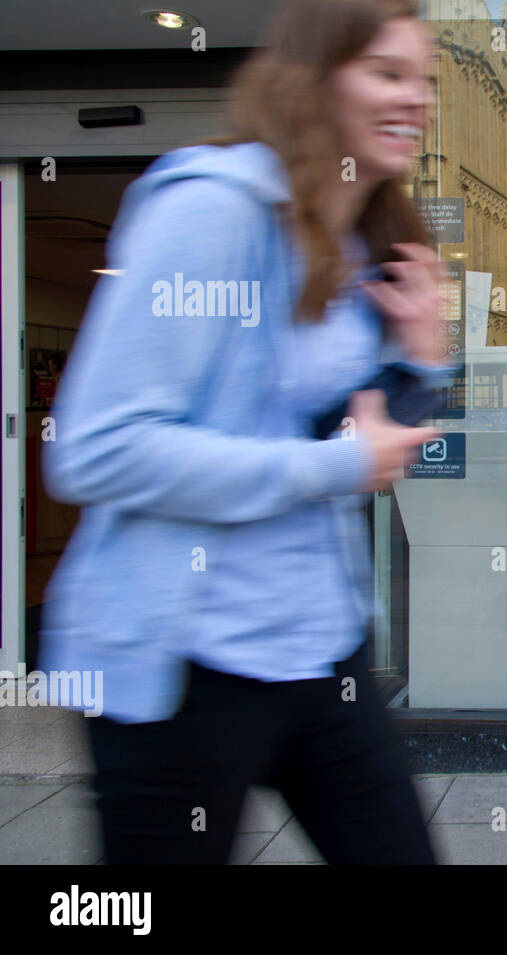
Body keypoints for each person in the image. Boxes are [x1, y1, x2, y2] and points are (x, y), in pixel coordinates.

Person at [39, 0, 449, 864]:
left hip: (317, 647)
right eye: (387, 73)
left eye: (426, 80)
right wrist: (332, 463)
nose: (418, 101)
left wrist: (421, 366)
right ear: (314, 81)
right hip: (184, 664)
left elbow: (358, 439)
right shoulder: (212, 212)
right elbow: (96, 447)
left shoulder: (362, 246)